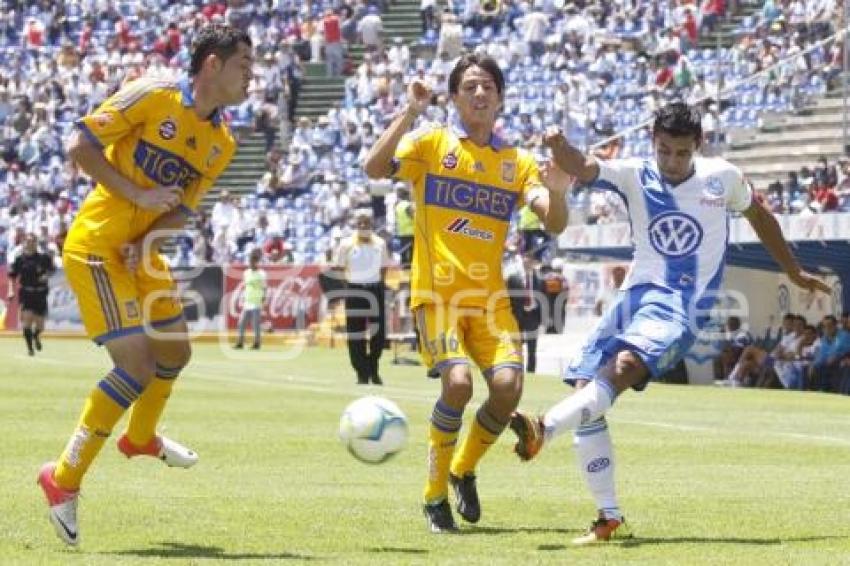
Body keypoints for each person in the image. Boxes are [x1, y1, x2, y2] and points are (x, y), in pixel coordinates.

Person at [508, 102, 829, 545]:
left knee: (622, 367)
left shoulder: (722, 178)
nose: (672, 162)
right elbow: (581, 165)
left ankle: (543, 429)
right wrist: (557, 143)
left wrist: (792, 271)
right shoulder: (634, 174)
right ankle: (608, 516)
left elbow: (759, 215)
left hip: (686, 303)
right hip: (635, 296)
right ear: (653, 143)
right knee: (585, 391)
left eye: (681, 152)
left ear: (698, 145)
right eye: (664, 151)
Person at [36, 24, 253, 546]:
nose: (252, 73)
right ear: (211, 66)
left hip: (141, 254)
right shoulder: (152, 92)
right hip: (97, 246)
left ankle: (138, 439)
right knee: (135, 367)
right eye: (244, 63)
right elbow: (80, 146)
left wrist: (153, 233)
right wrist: (137, 192)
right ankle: (61, 481)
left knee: (175, 354)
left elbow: (181, 209)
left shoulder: (221, 143)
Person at [363, 53, 571, 533]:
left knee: (507, 389)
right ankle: (434, 496)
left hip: (491, 301)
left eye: (488, 87)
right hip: (436, 296)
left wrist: (557, 190)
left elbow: (553, 219)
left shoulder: (516, 163)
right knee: (458, 384)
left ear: (500, 98)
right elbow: (374, 166)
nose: (480, 94)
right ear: (455, 97)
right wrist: (409, 112)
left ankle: (462, 469)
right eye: (470, 86)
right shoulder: (432, 143)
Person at [334, 210, 391, 385]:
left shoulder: (380, 243)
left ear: (372, 223)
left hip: (375, 289)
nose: (363, 226)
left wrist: (378, 283)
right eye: (360, 222)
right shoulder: (346, 244)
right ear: (355, 224)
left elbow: (384, 268)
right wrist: (349, 287)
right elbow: (339, 268)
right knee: (355, 333)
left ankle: (373, 368)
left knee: (379, 333)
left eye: (366, 222)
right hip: (354, 290)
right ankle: (362, 372)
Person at [7, 233, 55, 356]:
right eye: (28, 241)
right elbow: (12, 276)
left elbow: (52, 270)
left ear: (36, 243)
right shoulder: (20, 259)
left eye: (33, 241)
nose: (30, 243)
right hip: (26, 293)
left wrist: (46, 275)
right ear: (24, 243)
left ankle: (36, 336)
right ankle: (30, 349)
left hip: (40, 293)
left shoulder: (43, 258)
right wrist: (11, 290)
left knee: (40, 325)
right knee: (27, 320)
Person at [507, 251, 545, 373]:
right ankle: (517, 370)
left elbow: (544, 299)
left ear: (534, 262)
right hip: (518, 316)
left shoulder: (539, 279)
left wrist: (543, 318)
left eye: (530, 259)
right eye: (526, 258)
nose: (527, 261)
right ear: (522, 259)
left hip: (533, 316)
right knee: (517, 345)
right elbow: (509, 298)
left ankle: (531, 372)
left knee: (532, 347)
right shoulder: (513, 278)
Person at [234, 248, 267, 350]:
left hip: (256, 302)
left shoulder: (261, 274)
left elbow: (265, 288)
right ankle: (240, 342)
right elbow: (245, 286)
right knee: (241, 323)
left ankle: (257, 343)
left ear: (257, 262)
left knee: (255, 324)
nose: (251, 263)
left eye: (253, 261)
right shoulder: (246, 273)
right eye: (250, 261)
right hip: (247, 302)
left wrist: (263, 300)